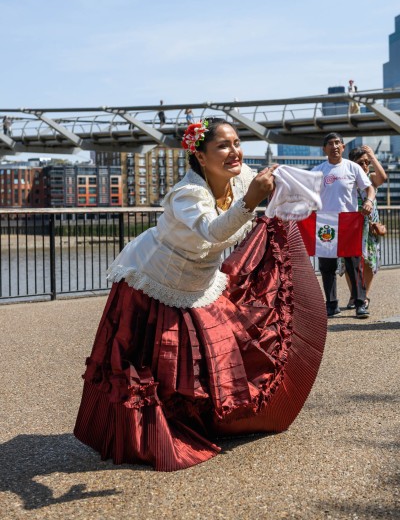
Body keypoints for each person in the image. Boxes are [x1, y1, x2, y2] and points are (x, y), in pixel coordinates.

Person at [74, 118, 327, 472]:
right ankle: (142, 436)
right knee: (146, 362)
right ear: (201, 158)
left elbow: (253, 200)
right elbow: (211, 231)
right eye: (223, 146)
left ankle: (203, 421)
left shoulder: (240, 178)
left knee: (205, 351)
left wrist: (272, 190)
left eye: (237, 142)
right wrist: (251, 200)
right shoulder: (187, 194)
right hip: (150, 279)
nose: (234, 151)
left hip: (197, 282)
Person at [311, 133, 376, 319]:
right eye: (330, 144)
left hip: (349, 221)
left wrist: (369, 201)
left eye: (337, 143)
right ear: (324, 149)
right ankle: (331, 305)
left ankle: (360, 303)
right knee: (327, 266)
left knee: (354, 264)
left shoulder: (353, 167)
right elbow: (305, 192)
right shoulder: (318, 171)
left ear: (343, 147)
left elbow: (369, 188)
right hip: (325, 223)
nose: (334, 146)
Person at [341, 145, 387, 309]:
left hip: (369, 226)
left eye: (367, 162)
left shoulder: (371, 178)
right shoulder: (346, 178)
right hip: (350, 224)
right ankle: (354, 295)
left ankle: (364, 295)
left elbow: (383, 178)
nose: (365, 166)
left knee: (369, 260)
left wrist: (372, 157)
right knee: (348, 260)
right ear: (352, 164)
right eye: (361, 163)